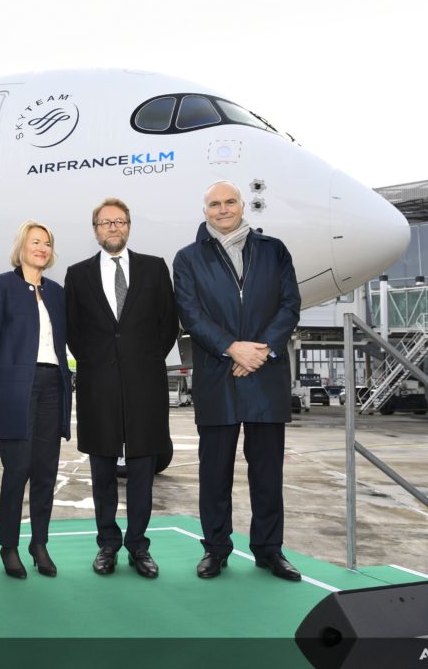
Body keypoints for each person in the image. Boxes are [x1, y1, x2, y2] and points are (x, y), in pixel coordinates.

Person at [172, 180, 302, 582]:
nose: (223, 209)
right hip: (219, 376)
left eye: (230, 202)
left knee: (267, 474)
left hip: (264, 375)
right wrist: (232, 349)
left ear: (243, 206)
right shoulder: (188, 258)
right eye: (215, 204)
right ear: (205, 210)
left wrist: (260, 350)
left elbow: (289, 304)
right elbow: (191, 315)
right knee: (215, 474)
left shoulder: (273, 250)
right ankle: (215, 549)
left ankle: (269, 550)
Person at [65, 198, 177, 579]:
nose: (113, 228)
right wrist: (100, 365)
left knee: (144, 471)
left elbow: (168, 324)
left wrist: (141, 362)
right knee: (101, 473)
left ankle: (138, 546)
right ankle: (107, 544)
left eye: (120, 221)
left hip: (146, 385)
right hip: (99, 386)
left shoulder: (154, 269)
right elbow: (75, 333)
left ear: (128, 226)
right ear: (95, 229)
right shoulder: (77, 275)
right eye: (105, 222)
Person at [0, 220, 71, 580]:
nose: (42, 248)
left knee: (46, 471)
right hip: (15, 390)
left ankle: (39, 543)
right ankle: (9, 545)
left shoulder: (57, 292)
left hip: (52, 386)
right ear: (21, 247)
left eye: (47, 243)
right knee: (17, 470)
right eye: (35, 242)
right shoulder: (0, 286)